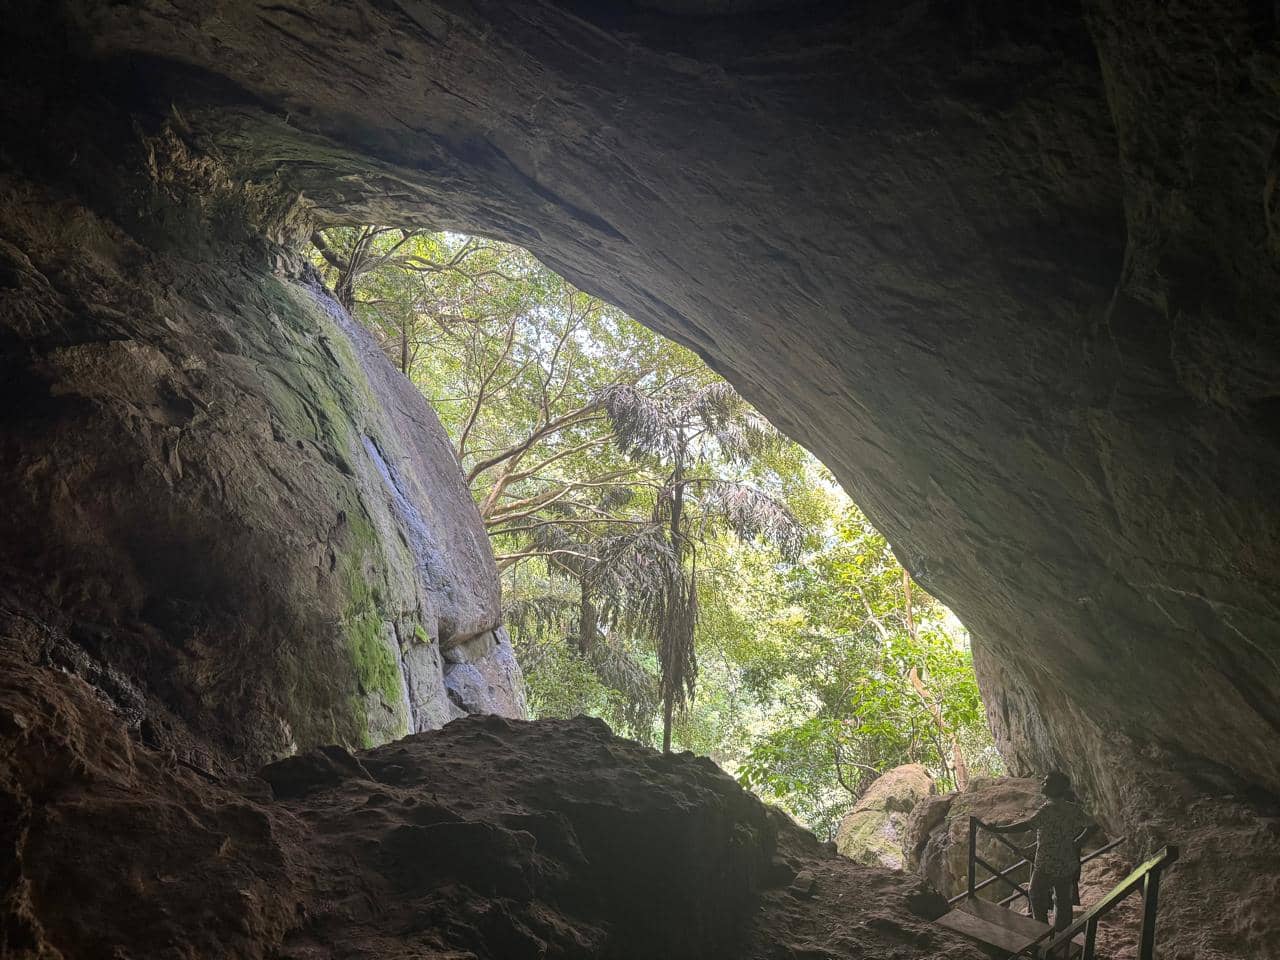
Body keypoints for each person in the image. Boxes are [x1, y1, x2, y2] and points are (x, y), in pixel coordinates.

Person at [990, 771, 1096, 932]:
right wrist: (1078, 842)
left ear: (1056, 788)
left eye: (1047, 782)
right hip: (1067, 862)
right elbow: (1091, 825)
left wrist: (998, 829)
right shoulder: (1072, 809)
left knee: (1035, 894)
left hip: (1046, 864)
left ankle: (1042, 930)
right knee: (1062, 899)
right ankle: (1062, 935)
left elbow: (1026, 825)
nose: (1043, 784)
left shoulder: (1048, 809)